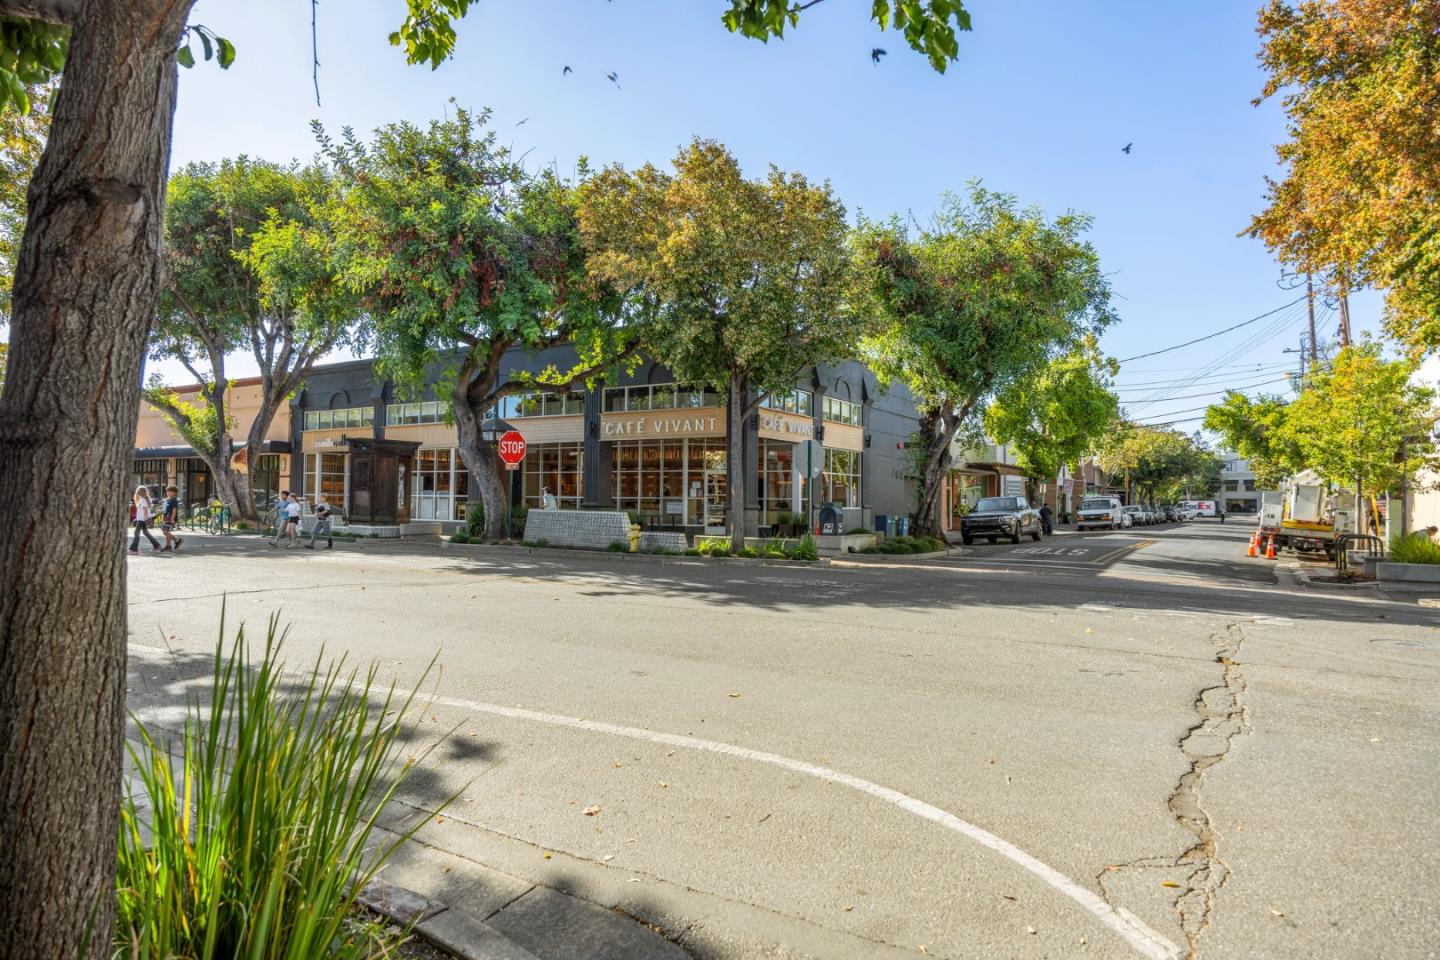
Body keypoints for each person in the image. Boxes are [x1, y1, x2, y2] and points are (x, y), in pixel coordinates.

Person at [128, 486, 161, 554]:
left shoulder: (143, 500)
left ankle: (133, 549)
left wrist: (145, 518)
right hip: (143, 519)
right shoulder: (146, 499)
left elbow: (145, 509)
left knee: (136, 533)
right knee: (145, 533)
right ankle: (157, 546)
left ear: (138, 492)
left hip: (142, 519)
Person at [159, 484, 183, 552]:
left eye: (171, 491)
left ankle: (168, 546)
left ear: (175, 493)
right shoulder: (166, 500)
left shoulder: (174, 500)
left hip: (170, 518)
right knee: (165, 532)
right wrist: (162, 517)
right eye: (168, 491)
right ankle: (177, 540)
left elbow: (174, 510)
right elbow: (164, 510)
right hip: (165, 518)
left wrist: (172, 519)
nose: (169, 493)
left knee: (166, 532)